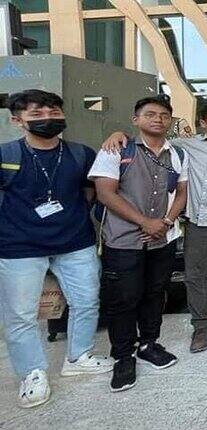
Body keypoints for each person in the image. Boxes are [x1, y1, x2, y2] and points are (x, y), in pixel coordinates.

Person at [103, 104, 207, 353]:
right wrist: (119, 134)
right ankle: (201, 325)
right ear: (202, 123)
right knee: (195, 276)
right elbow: (153, 137)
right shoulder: (185, 146)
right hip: (196, 220)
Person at [0, 90, 112, 408]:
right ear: (16, 120)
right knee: (20, 315)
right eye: (36, 114)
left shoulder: (79, 153)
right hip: (19, 247)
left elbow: (91, 190)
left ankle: (78, 357)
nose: (48, 118)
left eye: (53, 111)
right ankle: (32, 372)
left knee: (87, 302)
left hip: (75, 242)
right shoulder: (7, 155)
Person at [88, 95, 187, 392]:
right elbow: (106, 193)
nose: (158, 119)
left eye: (164, 116)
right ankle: (122, 356)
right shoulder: (117, 149)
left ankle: (149, 344)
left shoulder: (177, 153)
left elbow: (181, 193)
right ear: (136, 119)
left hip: (163, 238)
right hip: (123, 240)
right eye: (150, 114)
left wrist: (166, 223)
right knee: (124, 299)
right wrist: (145, 222)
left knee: (155, 293)